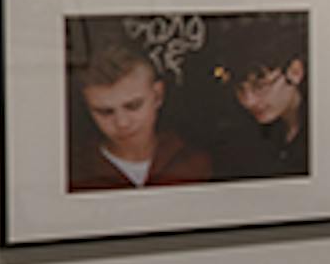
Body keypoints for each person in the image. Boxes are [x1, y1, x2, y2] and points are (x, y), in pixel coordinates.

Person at [69, 40, 215, 190]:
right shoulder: (73, 171)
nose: (122, 123)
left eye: (133, 106)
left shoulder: (195, 162)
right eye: (105, 112)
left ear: (157, 95)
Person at [210, 29, 311, 179]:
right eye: (240, 89)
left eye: (260, 86)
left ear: (295, 72)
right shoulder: (242, 136)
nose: (248, 101)